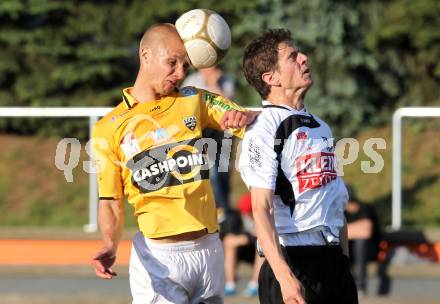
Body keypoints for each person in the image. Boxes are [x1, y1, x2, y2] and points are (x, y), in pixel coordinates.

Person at [90, 23, 258, 304]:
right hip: (160, 258)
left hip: (209, 250)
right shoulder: (109, 128)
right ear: (145, 55)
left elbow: (239, 115)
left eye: (185, 64)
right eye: (172, 62)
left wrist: (240, 118)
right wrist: (109, 244)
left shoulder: (194, 100)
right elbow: (110, 200)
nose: (180, 73)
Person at [239, 29, 358, 304]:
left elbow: (334, 200)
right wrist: (284, 276)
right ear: (271, 78)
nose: (304, 58)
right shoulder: (262, 128)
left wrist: (343, 263)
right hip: (292, 260)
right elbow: (261, 208)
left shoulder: (321, 126)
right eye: (293, 56)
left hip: (332, 264)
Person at [181, 66, 235, 213]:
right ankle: (222, 212)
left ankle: (224, 210)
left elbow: (228, 108)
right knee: (213, 174)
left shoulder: (225, 80)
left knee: (224, 174)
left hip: (222, 136)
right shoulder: (191, 81)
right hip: (202, 137)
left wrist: (213, 85)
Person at [222, 192, 264, 297]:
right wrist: (246, 239)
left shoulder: (264, 216)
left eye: (249, 212)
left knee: (263, 244)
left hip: (258, 252)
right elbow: (226, 238)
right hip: (243, 250)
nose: (246, 215)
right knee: (230, 243)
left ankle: (254, 285)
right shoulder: (235, 217)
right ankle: (230, 285)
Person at [345, 185, 381, 295]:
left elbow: (365, 231)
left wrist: (343, 231)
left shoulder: (365, 208)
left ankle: (360, 286)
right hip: (349, 251)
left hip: (369, 251)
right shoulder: (338, 211)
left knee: (360, 242)